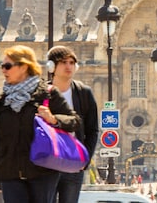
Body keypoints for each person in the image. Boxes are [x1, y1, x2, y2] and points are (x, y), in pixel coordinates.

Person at [0, 45, 79, 203]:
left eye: (8, 66)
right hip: (10, 173)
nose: (4, 70)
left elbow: (74, 121)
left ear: (23, 67)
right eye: (2, 66)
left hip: (42, 172)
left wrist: (53, 119)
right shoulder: (3, 99)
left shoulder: (47, 93)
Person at [47, 46, 99, 203]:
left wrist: (85, 159)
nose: (68, 66)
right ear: (51, 66)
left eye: (72, 62)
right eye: (63, 62)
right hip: (47, 162)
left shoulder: (83, 93)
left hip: (72, 162)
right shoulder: (42, 93)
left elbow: (92, 130)